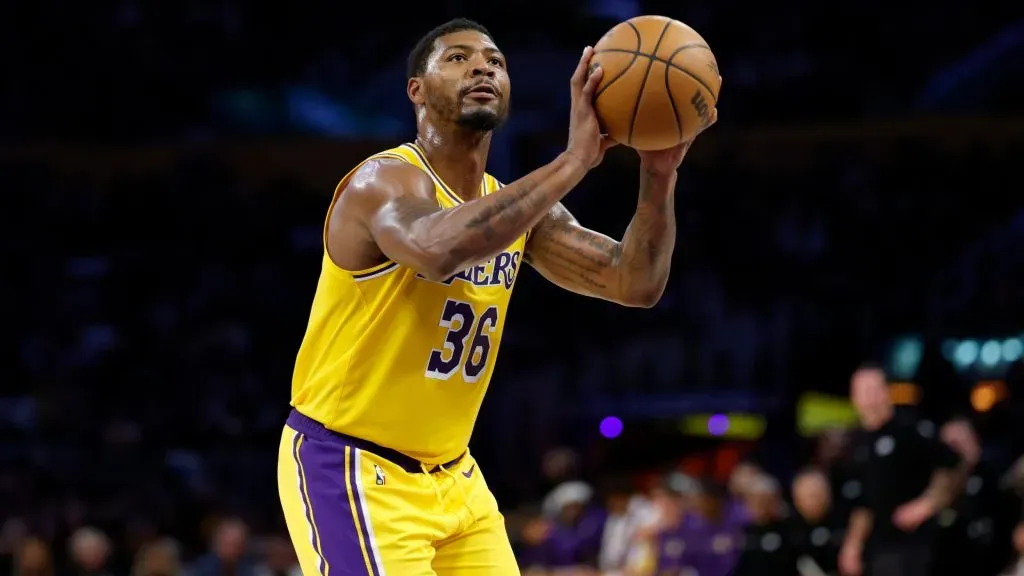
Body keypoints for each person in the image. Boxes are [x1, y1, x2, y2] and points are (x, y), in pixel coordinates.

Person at [276, 17, 719, 576]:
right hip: (352, 467)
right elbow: (436, 248)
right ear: (416, 89)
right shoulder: (381, 182)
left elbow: (634, 283)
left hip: (454, 475)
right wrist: (574, 160)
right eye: (458, 58)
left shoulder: (515, 209)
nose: (482, 66)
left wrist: (658, 174)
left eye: (495, 61)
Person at [838, 363, 967, 576]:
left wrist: (928, 503)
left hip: (912, 544)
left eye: (873, 390)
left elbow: (951, 465)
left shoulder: (909, 430)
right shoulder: (857, 443)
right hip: (876, 545)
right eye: (862, 392)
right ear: (854, 398)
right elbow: (863, 503)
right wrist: (853, 545)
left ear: (886, 393)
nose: (869, 398)